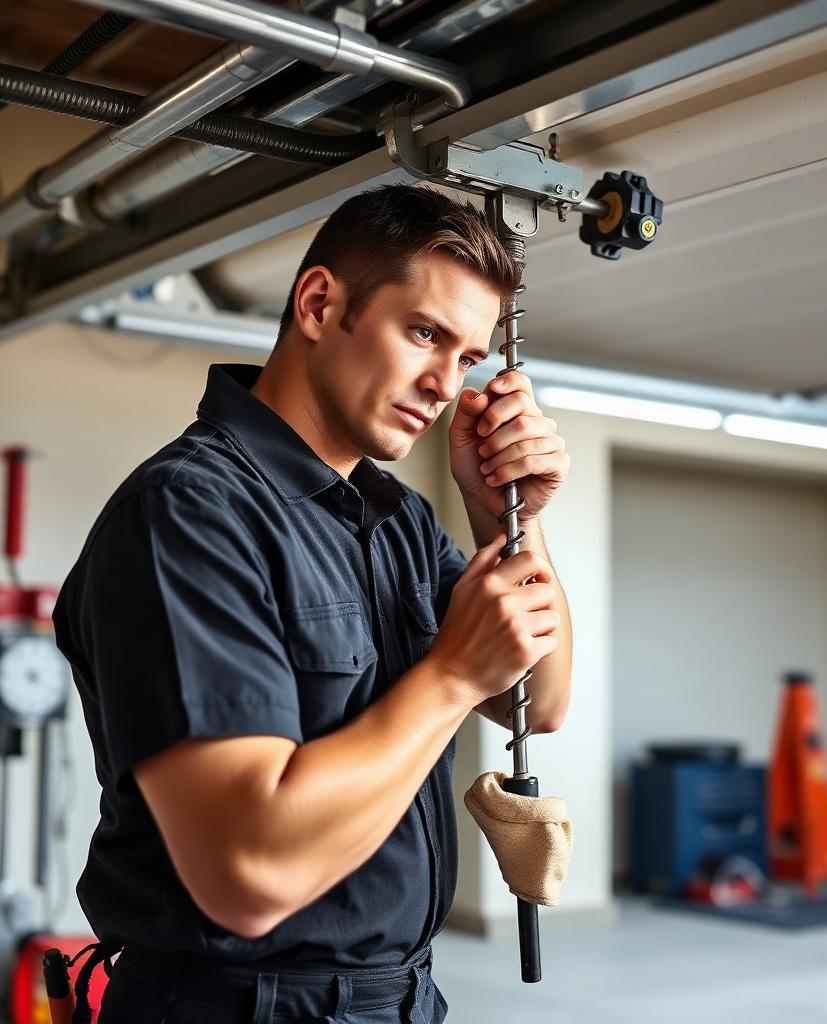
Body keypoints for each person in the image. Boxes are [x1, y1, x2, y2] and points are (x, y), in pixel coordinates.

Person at [53, 184, 573, 1024]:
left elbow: (535, 701)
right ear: (321, 303)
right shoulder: (190, 512)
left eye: (468, 358)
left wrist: (508, 518)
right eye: (425, 333)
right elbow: (249, 881)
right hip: (234, 1006)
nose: (445, 384)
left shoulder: (399, 519)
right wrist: (447, 677)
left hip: (400, 997)